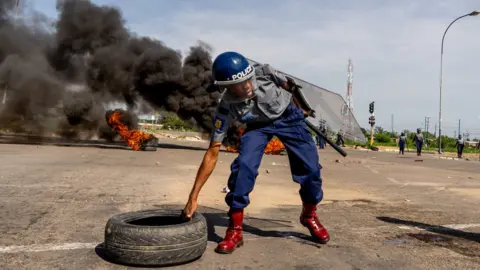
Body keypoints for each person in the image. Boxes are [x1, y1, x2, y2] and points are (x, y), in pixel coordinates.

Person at [181, 51, 329, 254]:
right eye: (240, 84)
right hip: (257, 127)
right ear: (226, 87)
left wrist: (302, 108)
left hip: (288, 117)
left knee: (311, 170)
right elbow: (212, 152)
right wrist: (193, 196)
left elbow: (290, 86)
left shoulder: (266, 73)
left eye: (248, 79)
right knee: (244, 167)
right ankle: (235, 229)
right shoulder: (225, 108)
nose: (248, 86)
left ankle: (309, 216)